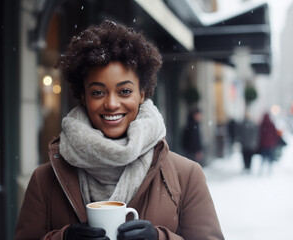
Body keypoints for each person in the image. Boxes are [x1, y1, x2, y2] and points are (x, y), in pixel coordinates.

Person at [14, 20, 224, 240]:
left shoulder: (186, 175)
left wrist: (160, 238)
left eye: (124, 91)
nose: (112, 104)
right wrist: (63, 238)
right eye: (98, 92)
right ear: (84, 98)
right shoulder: (45, 179)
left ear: (142, 93)